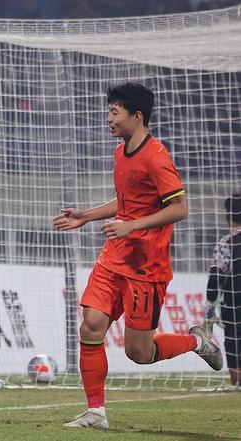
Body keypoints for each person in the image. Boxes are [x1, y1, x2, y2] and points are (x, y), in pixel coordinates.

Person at [53, 83, 223, 429]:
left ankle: (196, 342)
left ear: (137, 116)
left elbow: (179, 208)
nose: (108, 118)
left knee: (139, 353)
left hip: (146, 267)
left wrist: (132, 226)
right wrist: (86, 215)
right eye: (109, 111)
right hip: (113, 258)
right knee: (91, 324)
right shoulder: (121, 152)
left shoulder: (156, 157)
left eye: (114, 112)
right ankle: (96, 412)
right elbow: (126, 202)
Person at [204, 193, 241, 388]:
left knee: (234, 341)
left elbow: (216, 276)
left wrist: (209, 306)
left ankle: (237, 382)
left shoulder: (227, 242)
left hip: (234, 303)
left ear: (228, 215)